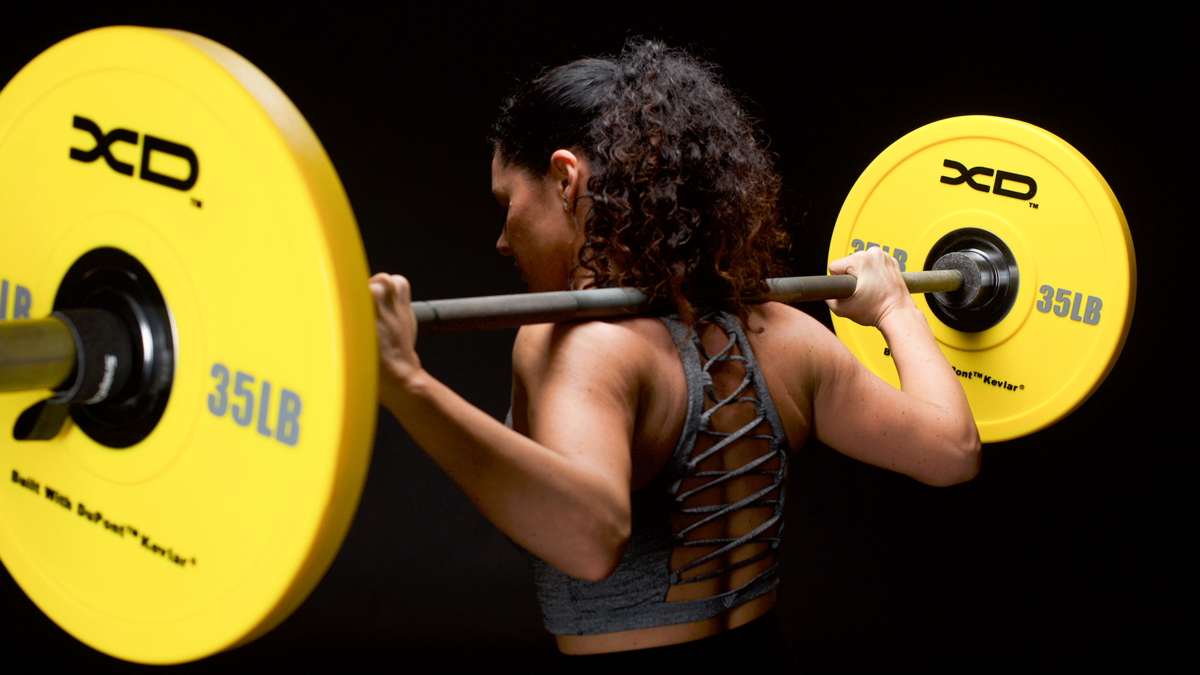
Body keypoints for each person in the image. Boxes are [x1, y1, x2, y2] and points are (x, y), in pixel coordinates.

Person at [369, 40, 980, 667]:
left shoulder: (583, 345)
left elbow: (588, 541)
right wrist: (893, 309)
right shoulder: (782, 332)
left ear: (564, 179)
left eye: (508, 204)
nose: (501, 239)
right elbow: (951, 452)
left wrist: (406, 383)